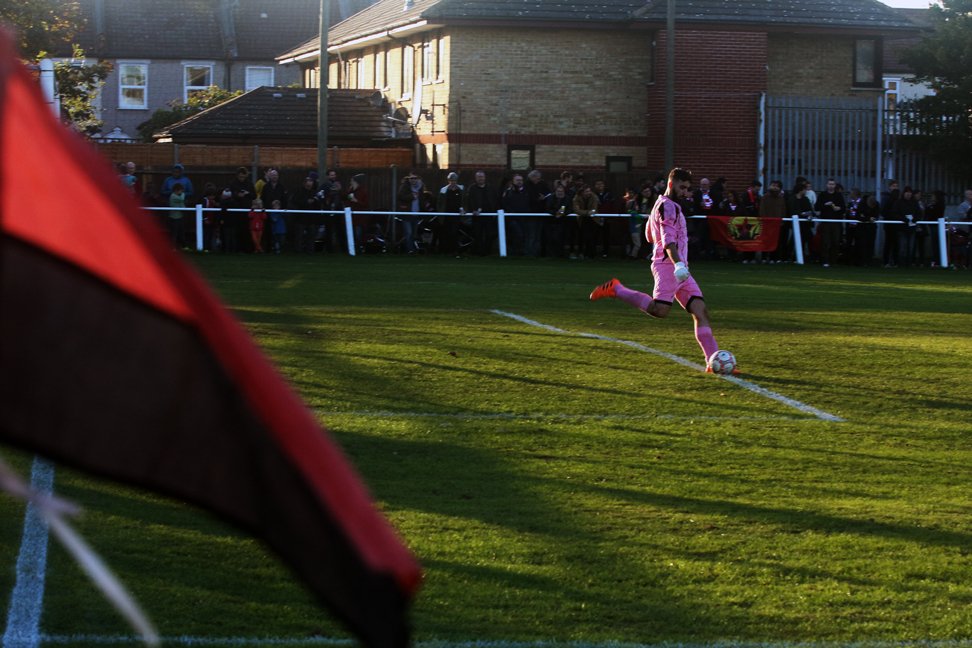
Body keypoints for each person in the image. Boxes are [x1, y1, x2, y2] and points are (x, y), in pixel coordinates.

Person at [589, 167, 733, 373]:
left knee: (700, 310)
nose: (685, 192)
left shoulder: (661, 204)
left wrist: (680, 262)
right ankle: (617, 289)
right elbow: (668, 240)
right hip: (669, 266)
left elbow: (649, 235)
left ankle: (712, 360)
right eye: (682, 187)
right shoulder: (668, 207)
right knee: (660, 310)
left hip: (680, 267)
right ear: (671, 184)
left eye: (687, 188)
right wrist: (678, 264)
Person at [463, 170, 498, 256]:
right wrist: (473, 210)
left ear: (485, 178)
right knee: (477, 234)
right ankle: (479, 252)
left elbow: (495, 200)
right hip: (477, 216)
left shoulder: (491, 188)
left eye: (482, 177)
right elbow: (468, 201)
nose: (480, 178)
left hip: (489, 215)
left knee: (490, 234)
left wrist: (495, 211)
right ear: (475, 178)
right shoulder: (472, 188)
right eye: (478, 177)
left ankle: (487, 252)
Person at [815, 178, 845, 267]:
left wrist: (838, 208)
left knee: (835, 241)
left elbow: (843, 208)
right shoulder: (822, 195)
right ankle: (825, 261)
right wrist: (825, 205)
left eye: (832, 184)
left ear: (835, 185)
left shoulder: (839, 195)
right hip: (825, 221)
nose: (831, 186)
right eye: (829, 184)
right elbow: (817, 207)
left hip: (836, 221)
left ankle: (834, 261)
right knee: (825, 241)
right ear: (826, 185)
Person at [437, 172, 465, 257]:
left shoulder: (461, 189)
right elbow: (439, 204)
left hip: (457, 216)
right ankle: (446, 251)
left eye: (454, 180)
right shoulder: (443, 190)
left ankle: (455, 251)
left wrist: (463, 209)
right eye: (451, 180)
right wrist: (441, 214)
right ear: (448, 180)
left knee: (455, 233)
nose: (453, 182)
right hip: (446, 216)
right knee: (446, 233)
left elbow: (464, 201)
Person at [892, 185, 921, 267]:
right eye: (907, 192)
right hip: (902, 228)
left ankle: (909, 263)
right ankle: (901, 263)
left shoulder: (915, 203)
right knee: (902, 247)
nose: (908, 194)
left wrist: (915, 219)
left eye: (910, 192)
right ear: (903, 193)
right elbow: (894, 213)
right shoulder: (898, 202)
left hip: (912, 228)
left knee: (911, 247)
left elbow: (919, 213)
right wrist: (903, 219)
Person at [501, 173, 529, 256]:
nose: (519, 182)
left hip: (524, 218)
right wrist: (512, 213)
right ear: (513, 181)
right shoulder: (508, 192)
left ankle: (519, 253)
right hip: (512, 219)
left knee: (523, 236)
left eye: (521, 180)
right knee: (517, 234)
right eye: (517, 180)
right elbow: (504, 204)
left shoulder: (526, 192)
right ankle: (514, 253)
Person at [759, 179, 786, 263]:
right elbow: (762, 210)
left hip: (777, 224)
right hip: (767, 223)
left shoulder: (781, 199)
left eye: (776, 186)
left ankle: (774, 258)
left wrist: (782, 221)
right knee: (765, 240)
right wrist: (764, 220)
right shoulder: (765, 197)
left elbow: (783, 210)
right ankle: (764, 257)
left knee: (776, 241)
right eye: (773, 185)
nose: (774, 187)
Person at [573, 184, 600, 259]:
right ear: (582, 192)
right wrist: (587, 212)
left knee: (592, 237)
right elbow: (576, 210)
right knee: (581, 237)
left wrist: (587, 212)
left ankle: (591, 254)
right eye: (587, 191)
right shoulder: (576, 198)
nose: (589, 193)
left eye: (589, 191)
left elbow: (594, 209)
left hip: (593, 219)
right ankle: (581, 253)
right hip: (581, 219)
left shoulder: (594, 197)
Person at [545, 183, 571, 258]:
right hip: (551, 221)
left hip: (563, 222)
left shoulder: (567, 198)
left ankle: (560, 255)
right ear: (555, 191)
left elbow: (570, 209)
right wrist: (555, 213)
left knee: (561, 239)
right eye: (558, 191)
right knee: (551, 238)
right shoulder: (550, 198)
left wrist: (562, 214)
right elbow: (547, 208)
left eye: (561, 191)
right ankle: (550, 255)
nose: (560, 193)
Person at [346, 173, 371, 253]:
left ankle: (360, 249)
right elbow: (347, 200)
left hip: (359, 217)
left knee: (358, 234)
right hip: (351, 216)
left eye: (352, 181)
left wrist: (356, 201)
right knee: (352, 234)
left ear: (356, 182)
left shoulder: (363, 191)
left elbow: (366, 204)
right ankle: (353, 250)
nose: (350, 182)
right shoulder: (350, 190)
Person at [881, 179, 900, 267]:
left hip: (896, 223)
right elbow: (883, 211)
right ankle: (886, 262)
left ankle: (895, 262)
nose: (895, 188)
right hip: (889, 223)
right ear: (889, 187)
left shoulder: (898, 198)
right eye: (893, 186)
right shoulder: (886, 197)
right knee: (888, 243)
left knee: (896, 243)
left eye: (896, 186)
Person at [592, 179, 614, 258]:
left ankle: (605, 253)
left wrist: (610, 217)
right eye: (597, 184)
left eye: (601, 184)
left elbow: (612, 206)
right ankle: (593, 252)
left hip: (606, 218)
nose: (599, 186)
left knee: (606, 236)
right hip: (596, 218)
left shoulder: (609, 194)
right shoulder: (593, 195)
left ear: (604, 185)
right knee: (594, 236)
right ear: (595, 186)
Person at [167, 181, 187, 248]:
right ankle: (172, 247)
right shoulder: (173, 196)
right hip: (174, 217)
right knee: (174, 233)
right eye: (181, 190)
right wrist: (183, 194)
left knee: (181, 232)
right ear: (176, 190)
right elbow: (182, 199)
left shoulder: (178, 195)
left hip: (180, 216)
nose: (182, 192)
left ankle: (183, 246)